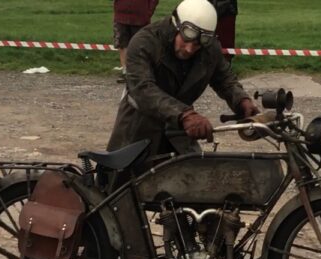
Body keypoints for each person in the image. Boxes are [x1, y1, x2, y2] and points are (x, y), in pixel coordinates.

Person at [107, 0, 259, 160]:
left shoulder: (209, 49)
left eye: (197, 45)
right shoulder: (144, 42)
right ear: (175, 27)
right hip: (137, 131)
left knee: (193, 178)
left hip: (178, 134)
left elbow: (225, 79)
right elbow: (142, 89)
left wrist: (242, 101)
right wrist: (185, 115)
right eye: (186, 41)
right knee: (119, 182)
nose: (190, 49)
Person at [113, 0, 159, 82]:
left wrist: (148, 13)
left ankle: (139, 72)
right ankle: (125, 72)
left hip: (140, 18)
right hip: (121, 16)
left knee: (141, 46)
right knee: (122, 45)